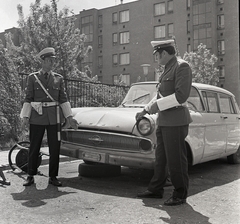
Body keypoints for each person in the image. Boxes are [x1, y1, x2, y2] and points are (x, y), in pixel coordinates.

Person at [136, 39, 192, 206]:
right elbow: (160, 95)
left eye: (157, 54)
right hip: (165, 120)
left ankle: (180, 193)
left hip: (176, 120)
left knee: (176, 159)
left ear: (166, 53)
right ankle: (155, 189)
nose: (156, 58)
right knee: (161, 158)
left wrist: (156, 106)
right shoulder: (168, 68)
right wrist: (145, 109)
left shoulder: (182, 66)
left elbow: (181, 96)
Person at [20, 47, 78, 187]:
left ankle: (53, 176)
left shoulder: (59, 78)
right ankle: (30, 175)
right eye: (50, 60)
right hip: (37, 117)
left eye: (53, 61)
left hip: (54, 118)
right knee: (34, 147)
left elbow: (63, 99)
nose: (52, 63)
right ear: (44, 61)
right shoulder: (32, 78)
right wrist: (25, 117)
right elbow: (28, 98)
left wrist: (69, 117)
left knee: (54, 148)